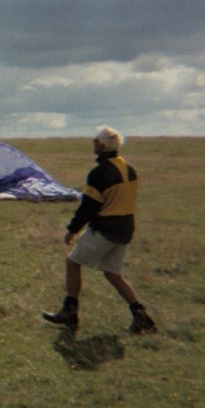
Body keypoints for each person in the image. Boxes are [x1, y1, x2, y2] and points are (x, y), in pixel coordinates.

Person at [42, 126, 157, 334]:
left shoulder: (99, 173)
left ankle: (70, 311)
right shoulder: (129, 168)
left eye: (95, 141)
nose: (93, 144)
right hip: (125, 229)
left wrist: (72, 230)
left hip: (105, 229)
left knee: (73, 263)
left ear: (101, 145)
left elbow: (88, 207)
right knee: (113, 273)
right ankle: (142, 317)